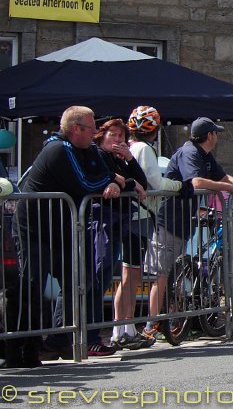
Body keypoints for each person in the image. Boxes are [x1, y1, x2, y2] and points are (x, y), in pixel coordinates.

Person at [12, 106, 125, 365]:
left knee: (76, 282)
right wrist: (111, 179)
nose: (96, 133)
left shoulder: (86, 150)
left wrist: (119, 180)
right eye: (91, 128)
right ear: (76, 129)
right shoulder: (59, 148)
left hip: (61, 228)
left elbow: (102, 174)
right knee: (31, 287)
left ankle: (60, 340)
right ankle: (21, 346)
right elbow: (84, 183)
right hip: (35, 230)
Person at [145, 117, 233, 338]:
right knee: (161, 275)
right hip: (170, 221)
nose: (217, 137)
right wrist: (229, 187)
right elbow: (196, 183)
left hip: (184, 221)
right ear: (209, 135)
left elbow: (221, 175)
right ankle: (150, 326)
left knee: (175, 275)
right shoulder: (189, 152)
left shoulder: (205, 155)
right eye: (216, 133)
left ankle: (174, 322)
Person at [93, 119, 154, 351]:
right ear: (101, 135)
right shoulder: (97, 154)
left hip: (123, 218)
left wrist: (129, 159)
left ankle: (122, 330)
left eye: (120, 136)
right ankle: (102, 333)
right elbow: (106, 177)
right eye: (112, 135)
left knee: (121, 274)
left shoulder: (120, 158)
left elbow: (142, 182)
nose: (117, 140)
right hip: (103, 219)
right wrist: (128, 183)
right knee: (103, 274)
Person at [127, 106, 184, 344]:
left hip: (134, 213)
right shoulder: (145, 150)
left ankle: (127, 328)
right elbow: (155, 182)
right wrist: (180, 186)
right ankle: (132, 328)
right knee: (133, 275)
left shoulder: (132, 147)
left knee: (130, 275)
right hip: (140, 215)